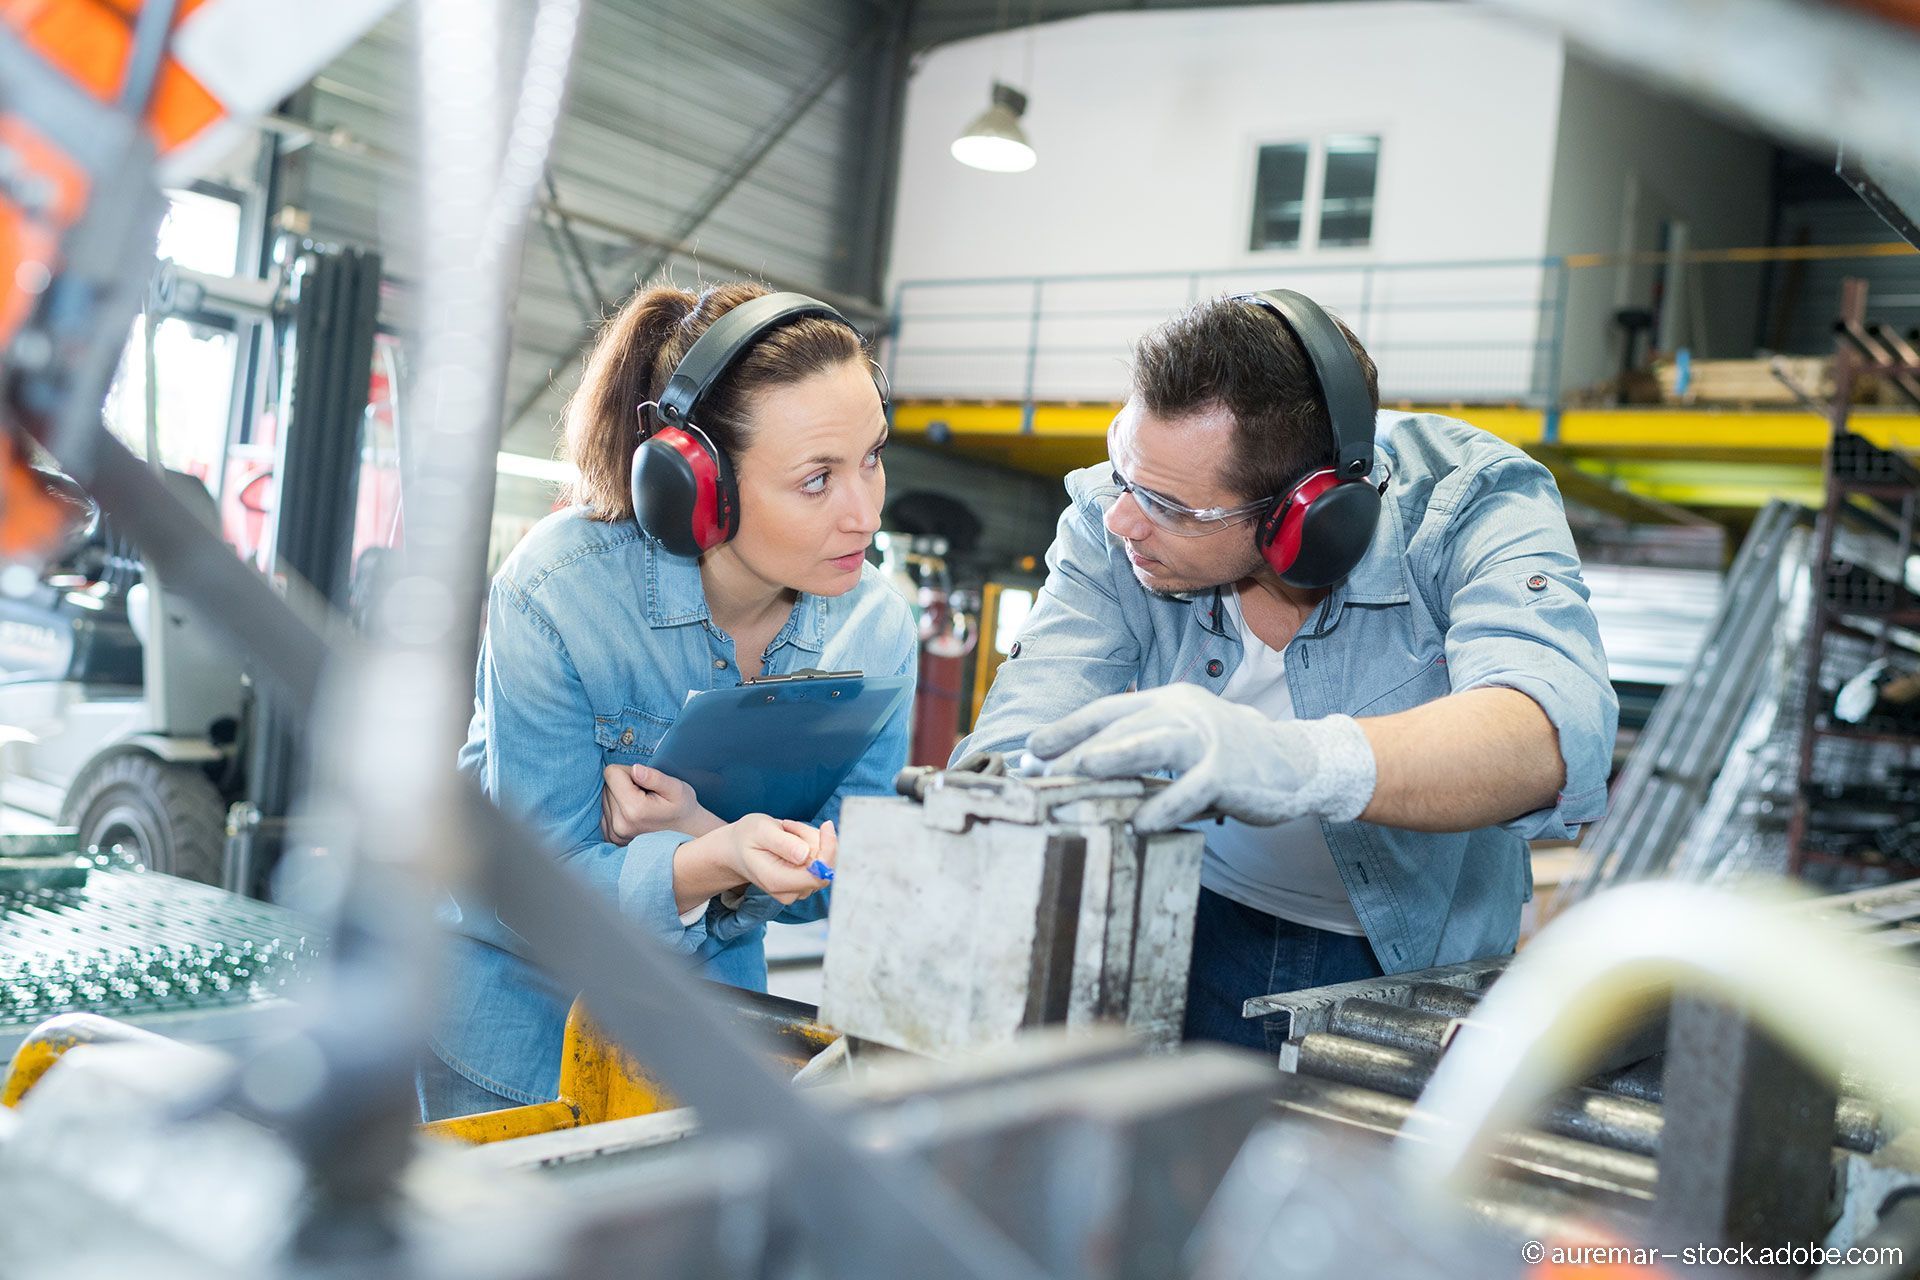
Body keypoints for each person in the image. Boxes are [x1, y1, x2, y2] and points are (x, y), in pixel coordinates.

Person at [955, 289, 1618, 1053]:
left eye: (1170, 506)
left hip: (1408, 960)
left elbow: (1548, 734)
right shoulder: (1119, 518)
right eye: (1122, 474)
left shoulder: (1469, 502)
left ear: (1302, 516)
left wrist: (1289, 762)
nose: (1122, 520)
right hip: (1187, 917)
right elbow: (1024, 730)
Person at [422, 282, 916, 1120]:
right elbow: (536, 893)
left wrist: (702, 837)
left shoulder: (874, 629)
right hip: (517, 1035)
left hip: (707, 1045)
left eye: (870, 456)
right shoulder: (558, 597)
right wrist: (725, 863)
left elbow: (851, 873)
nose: (864, 512)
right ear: (697, 487)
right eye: (815, 480)